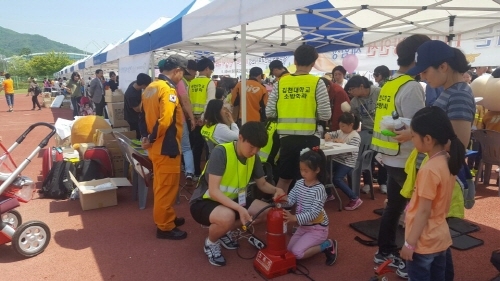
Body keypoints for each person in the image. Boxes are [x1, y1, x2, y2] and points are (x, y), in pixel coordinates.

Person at [370, 34, 430, 279]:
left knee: (394, 208)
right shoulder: (412, 86)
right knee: (416, 211)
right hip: (405, 159)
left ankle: (384, 251)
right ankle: (408, 259)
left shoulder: (391, 83)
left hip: (388, 155)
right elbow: (419, 127)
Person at [189, 121, 285, 266]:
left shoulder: (254, 157)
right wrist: (240, 209)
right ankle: (211, 242)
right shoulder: (221, 152)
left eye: (258, 148)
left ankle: (223, 232)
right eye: (252, 147)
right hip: (205, 200)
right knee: (227, 217)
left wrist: (277, 190)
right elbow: (214, 191)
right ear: (240, 137)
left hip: (234, 200)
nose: (254, 151)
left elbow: (262, 184)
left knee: (266, 212)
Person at [400, 106, 465, 280]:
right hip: (440, 237)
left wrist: (409, 244)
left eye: (413, 136)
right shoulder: (447, 159)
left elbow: (424, 211)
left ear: (427, 139)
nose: (412, 139)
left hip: (423, 242)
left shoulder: (429, 169)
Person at [266, 45, 331, 194]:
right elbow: (326, 115)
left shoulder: (281, 83)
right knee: (310, 178)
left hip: (286, 138)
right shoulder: (317, 83)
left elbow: (269, 112)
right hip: (310, 138)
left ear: (294, 60)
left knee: (284, 178)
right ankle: (309, 211)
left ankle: (279, 209)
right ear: (314, 62)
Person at [139, 55, 189, 240]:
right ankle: (165, 227)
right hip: (166, 147)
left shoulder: (151, 87)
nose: (182, 78)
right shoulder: (168, 90)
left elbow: (141, 116)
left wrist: (146, 137)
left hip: (156, 148)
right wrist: (151, 138)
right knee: (166, 188)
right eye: (182, 74)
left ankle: (167, 217)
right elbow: (166, 121)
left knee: (162, 185)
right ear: (177, 71)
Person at [283, 147, 338, 265]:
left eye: (306, 171)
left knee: (297, 253)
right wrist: (281, 199)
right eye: (301, 170)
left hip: (317, 229)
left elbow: (314, 213)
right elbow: (291, 199)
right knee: (289, 250)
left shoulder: (319, 189)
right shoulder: (299, 183)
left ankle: (328, 244)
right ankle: (310, 242)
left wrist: (294, 218)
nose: (302, 173)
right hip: (303, 226)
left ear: (317, 170)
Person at [345, 75, 387, 194]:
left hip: (382, 130)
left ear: (362, 86)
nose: (351, 92)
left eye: (352, 89)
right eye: (349, 90)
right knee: (366, 157)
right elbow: (357, 118)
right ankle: (368, 183)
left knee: (382, 157)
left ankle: (383, 182)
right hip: (366, 130)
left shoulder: (379, 92)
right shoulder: (354, 102)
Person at [324, 113, 362, 210]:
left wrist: (343, 143)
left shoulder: (355, 136)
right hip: (336, 159)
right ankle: (328, 194)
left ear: (351, 125)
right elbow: (330, 134)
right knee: (323, 171)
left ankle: (354, 198)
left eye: (343, 126)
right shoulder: (340, 132)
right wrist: (328, 135)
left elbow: (352, 150)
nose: (341, 128)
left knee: (337, 179)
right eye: (340, 126)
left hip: (347, 162)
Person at [189, 58, 216, 178]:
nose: (211, 73)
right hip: (204, 120)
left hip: (192, 119)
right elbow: (210, 102)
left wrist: (192, 118)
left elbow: (188, 101)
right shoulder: (209, 83)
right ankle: (208, 173)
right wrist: (204, 117)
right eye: (211, 70)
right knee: (208, 147)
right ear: (206, 69)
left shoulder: (191, 83)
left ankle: (195, 172)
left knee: (196, 147)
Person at [177, 59, 197, 181]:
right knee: (186, 147)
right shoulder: (180, 82)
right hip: (181, 119)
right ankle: (189, 172)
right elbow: (185, 100)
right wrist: (192, 118)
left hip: (165, 121)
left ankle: (176, 170)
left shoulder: (157, 83)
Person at [124, 73, 152, 139]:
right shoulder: (131, 94)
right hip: (133, 117)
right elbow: (137, 109)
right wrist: (145, 99)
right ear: (143, 85)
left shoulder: (135, 84)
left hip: (137, 116)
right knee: (137, 135)